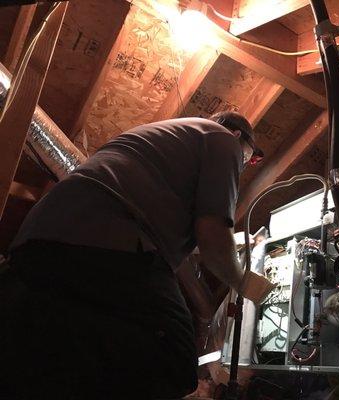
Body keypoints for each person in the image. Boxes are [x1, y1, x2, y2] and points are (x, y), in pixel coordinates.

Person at [0, 111, 275, 399]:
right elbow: (211, 239)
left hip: (43, 239)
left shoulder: (173, 138)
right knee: (175, 358)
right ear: (238, 137)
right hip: (105, 238)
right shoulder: (222, 140)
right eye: (248, 159)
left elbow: (193, 234)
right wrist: (244, 282)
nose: (244, 165)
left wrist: (240, 243)